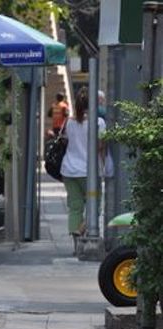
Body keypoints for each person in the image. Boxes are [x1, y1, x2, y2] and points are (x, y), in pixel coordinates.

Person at [61, 87, 113, 241]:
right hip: (89, 171)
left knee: (75, 207)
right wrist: (104, 168)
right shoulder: (99, 123)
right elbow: (100, 147)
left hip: (69, 171)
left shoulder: (69, 122)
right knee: (94, 206)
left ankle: (76, 244)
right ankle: (81, 229)